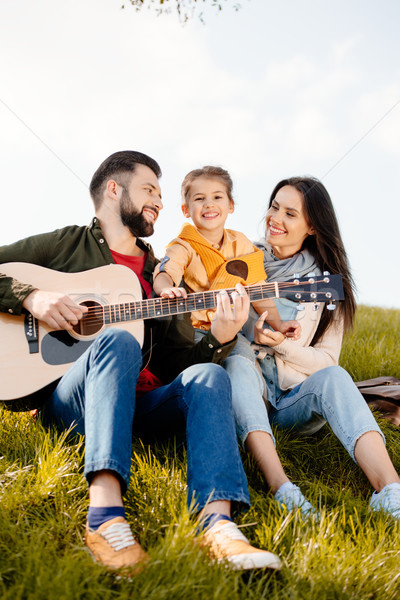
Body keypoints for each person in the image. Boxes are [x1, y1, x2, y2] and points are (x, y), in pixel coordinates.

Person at [0, 151, 283, 575]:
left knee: (207, 375)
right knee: (117, 339)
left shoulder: (160, 275)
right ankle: (105, 516)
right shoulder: (67, 244)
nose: (160, 201)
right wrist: (31, 296)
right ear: (114, 190)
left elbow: (180, 360)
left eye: (161, 193)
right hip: (72, 403)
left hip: (143, 407)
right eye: (149, 189)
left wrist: (220, 339)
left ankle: (218, 526)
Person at [222, 176, 400, 518]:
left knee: (334, 375)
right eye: (275, 207)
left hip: (291, 403)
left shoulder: (327, 285)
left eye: (290, 213)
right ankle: (284, 490)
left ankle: (390, 491)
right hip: (245, 390)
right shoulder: (239, 261)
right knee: (237, 356)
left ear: (313, 226)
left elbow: (326, 361)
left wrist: (281, 346)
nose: (276, 218)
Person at [152, 165, 299, 338]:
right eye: (199, 198)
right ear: (186, 210)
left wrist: (280, 324)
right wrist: (166, 288)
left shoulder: (241, 243)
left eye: (217, 197)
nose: (209, 204)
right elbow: (166, 271)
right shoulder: (183, 246)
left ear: (230, 205)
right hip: (195, 331)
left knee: (241, 363)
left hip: (231, 330)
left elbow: (258, 288)